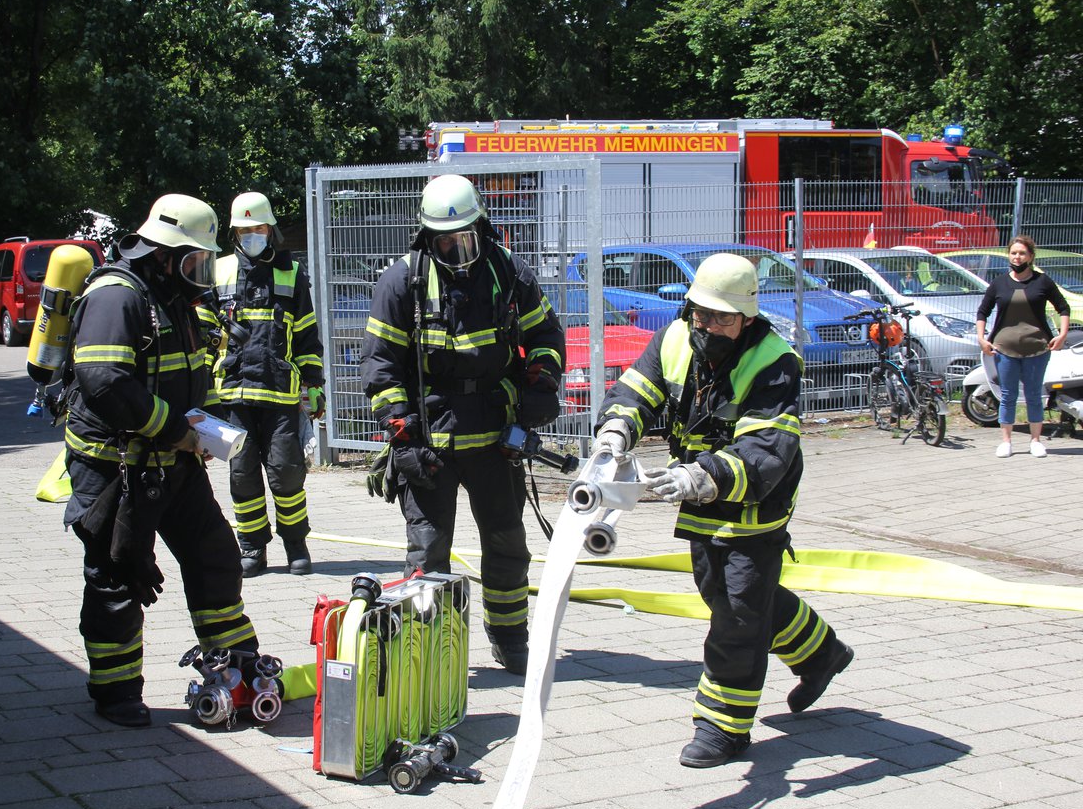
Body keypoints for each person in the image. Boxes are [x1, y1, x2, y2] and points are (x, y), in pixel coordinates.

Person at [593, 253, 854, 768]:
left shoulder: (775, 362)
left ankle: (723, 727)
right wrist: (616, 428)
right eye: (702, 314)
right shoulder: (674, 336)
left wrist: (701, 476)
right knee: (725, 592)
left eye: (722, 318)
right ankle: (823, 653)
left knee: (737, 611)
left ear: (747, 319)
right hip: (696, 490)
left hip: (755, 496)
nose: (708, 326)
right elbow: (636, 390)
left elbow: (767, 451)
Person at [62, 193, 261, 727]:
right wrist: (176, 430)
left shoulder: (171, 297)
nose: (199, 274)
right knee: (117, 575)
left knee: (215, 555)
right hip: (114, 470)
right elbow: (103, 381)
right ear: (165, 253)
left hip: (173, 462)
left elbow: (192, 372)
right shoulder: (117, 297)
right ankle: (116, 690)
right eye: (194, 261)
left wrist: (213, 424)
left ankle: (240, 669)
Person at [360, 174, 566, 676]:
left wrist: (541, 382)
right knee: (428, 549)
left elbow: (546, 333)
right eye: (444, 242)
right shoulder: (402, 281)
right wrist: (399, 432)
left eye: (465, 239)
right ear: (426, 237)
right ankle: (428, 653)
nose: (457, 251)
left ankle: (510, 636)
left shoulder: (509, 272)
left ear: (482, 226)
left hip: (496, 439)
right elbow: (380, 364)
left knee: (506, 541)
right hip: (429, 443)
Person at [211, 191, 325, 576]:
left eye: (258, 227)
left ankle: (296, 545)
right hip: (233, 393)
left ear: (270, 230)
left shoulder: (292, 274)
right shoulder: (219, 271)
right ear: (235, 233)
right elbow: (204, 336)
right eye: (244, 229)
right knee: (242, 475)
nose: (252, 234)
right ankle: (252, 549)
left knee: (287, 471)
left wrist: (315, 384)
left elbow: (308, 336)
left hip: (279, 393)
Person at [976, 235, 1071, 458]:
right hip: (1004, 349)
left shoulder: (1043, 282)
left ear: (1031, 256)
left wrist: (1063, 335)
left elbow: (1063, 308)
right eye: (1013, 253)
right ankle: (1006, 441)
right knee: (1007, 395)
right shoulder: (999, 283)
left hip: (1037, 348)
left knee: (1033, 394)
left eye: (1022, 253)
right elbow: (983, 312)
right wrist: (982, 338)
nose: (1017, 257)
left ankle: (1036, 441)